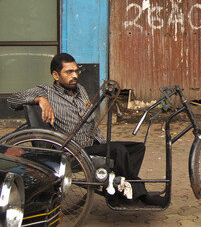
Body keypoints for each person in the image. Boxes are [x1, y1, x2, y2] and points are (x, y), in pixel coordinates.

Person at [7, 53, 165, 206]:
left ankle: (120, 189)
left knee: (138, 148)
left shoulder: (80, 90)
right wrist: (40, 100)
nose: (74, 75)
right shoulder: (46, 92)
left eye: (76, 71)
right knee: (119, 151)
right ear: (56, 75)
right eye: (69, 72)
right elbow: (12, 100)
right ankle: (140, 195)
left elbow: (90, 120)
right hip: (73, 151)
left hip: (93, 144)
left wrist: (102, 141)